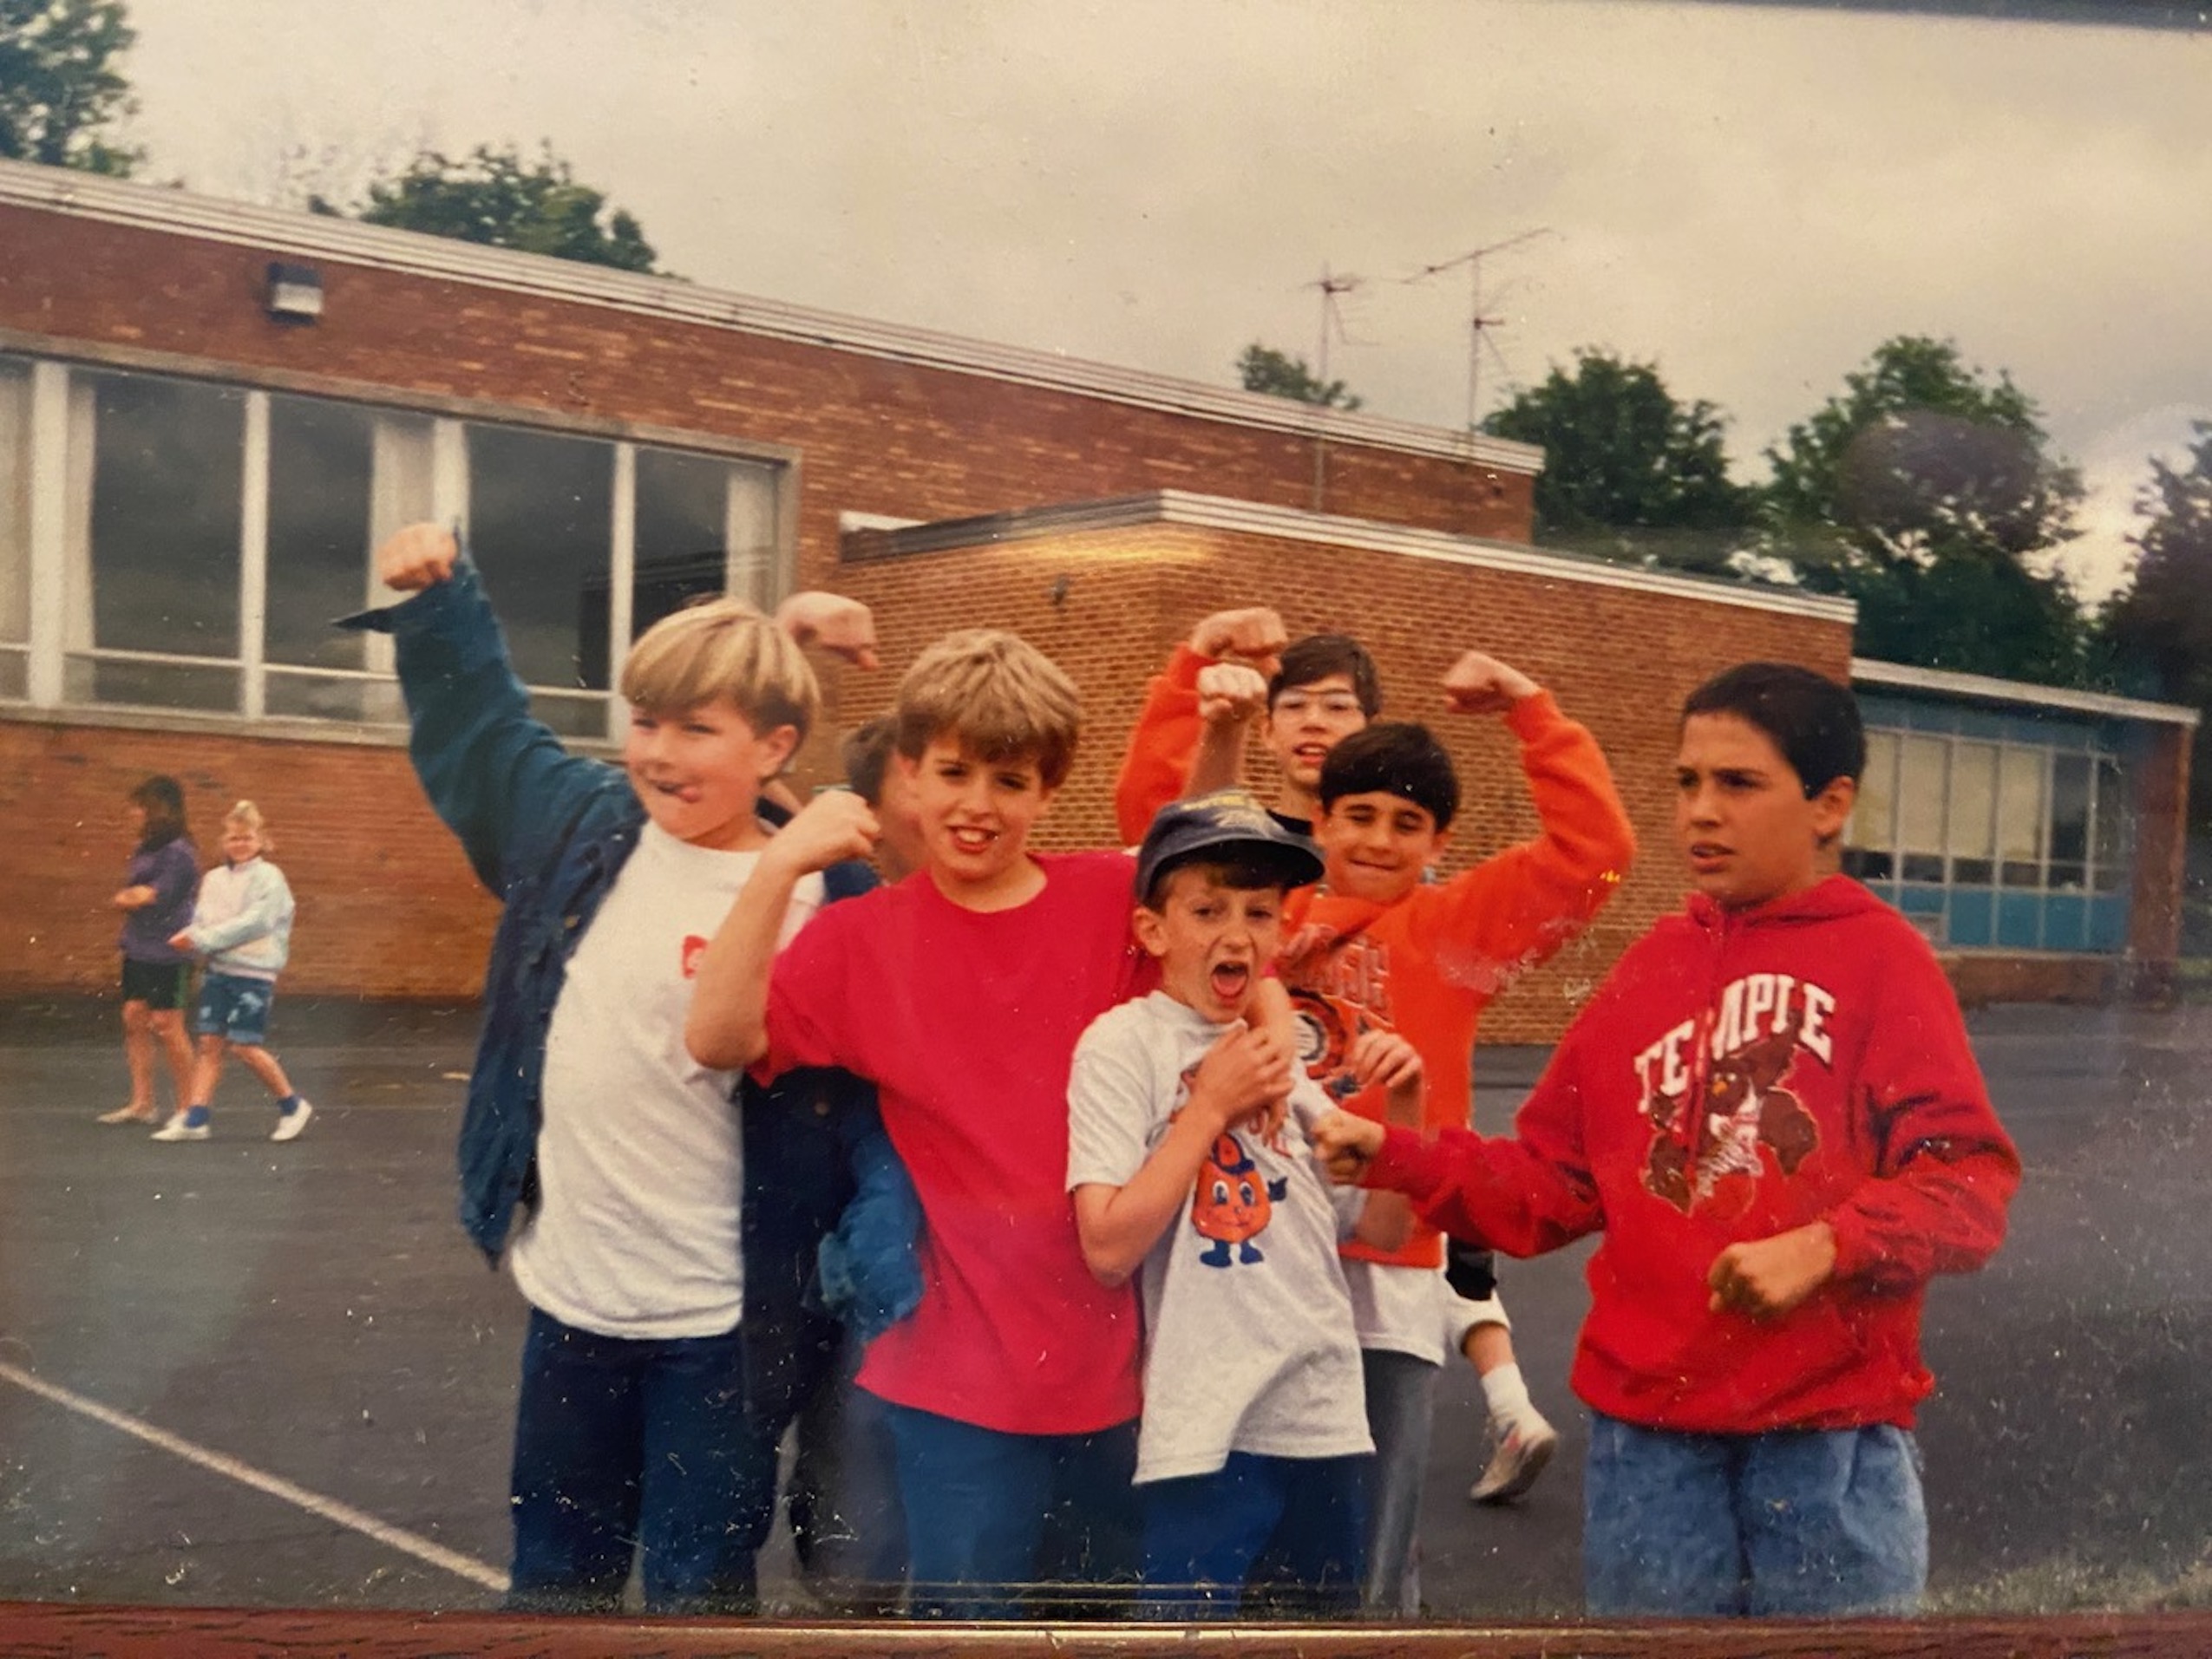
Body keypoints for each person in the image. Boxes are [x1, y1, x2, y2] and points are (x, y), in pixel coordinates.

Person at [1315, 662, 2022, 1617]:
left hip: (1824, 1443)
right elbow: (1552, 1183)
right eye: (1687, 782)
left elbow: (1969, 1182)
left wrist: (1827, 1245)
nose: (1701, 811)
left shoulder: (1883, 959)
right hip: (1648, 1446)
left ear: (1830, 802)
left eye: (1738, 783)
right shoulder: (1651, 969)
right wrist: (1397, 1154)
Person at [344, 521, 897, 1616]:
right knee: (554, 1575)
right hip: (576, 1301)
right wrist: (449, 598)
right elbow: (486, 734)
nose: (658, 751)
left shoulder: (832, 902)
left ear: (776, 747)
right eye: (644, 721)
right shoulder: (583, 827)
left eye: (698, 728)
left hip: (724, 1327)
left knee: (698, 1588)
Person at [689, 628, 1296, 1619]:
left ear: (1047, 791)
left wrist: (1269, 1033)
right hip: (956, 1385)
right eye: (953, 772)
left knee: (1100, 1628)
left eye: (1009, 780)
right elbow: (718, 1034)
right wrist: (778, 867)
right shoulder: (857, 938)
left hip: (1124, 1374)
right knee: (968, 1627)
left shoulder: (1106, 901)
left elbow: (1209, 891)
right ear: (909, 773)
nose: (977, 805)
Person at [1117, 610, 1635, 1612]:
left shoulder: (1451, 929)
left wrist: (1532, 710)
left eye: (1407, 823)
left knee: (1366, 1547)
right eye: (1359, 816)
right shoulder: (1265, 909)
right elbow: (1155, 824)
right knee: (1245, 1520)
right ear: (1322, 817)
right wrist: (1189, 672)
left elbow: (1597, 854)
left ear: (1438, 839)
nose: (1379, 840)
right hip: (1258, 1255)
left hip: (1389, 1269)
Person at [1066, 788, 1417, 1619]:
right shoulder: (1125, 1044)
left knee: (1323, 1634)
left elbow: (1379, 1227)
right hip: (1208, 1425)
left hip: (1325, 1413)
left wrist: (1406, 1111)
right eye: (1207, 908)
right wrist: (1208, 1107)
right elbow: (1107, 1245)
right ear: (1154, 930)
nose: (1237, 931)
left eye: (1259, 912)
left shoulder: (1282, 1054)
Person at [155, 800, 311, 1145]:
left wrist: (202, 939)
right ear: (224, 842)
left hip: (253, 974)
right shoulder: (213, 879)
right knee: (210, 1044)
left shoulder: (270, 878)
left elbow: (256, 923)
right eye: (233, 838)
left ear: (260, 840)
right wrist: (195, 936)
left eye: (246, 837)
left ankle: (292, 1105)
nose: (239, 844)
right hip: (219, 971)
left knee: (243, 1046)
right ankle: (196, 1119)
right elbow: (202, 918)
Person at [100, 774, 200, 1127]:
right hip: (138, 947)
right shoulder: (147, 850)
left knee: (168, 1026)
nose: (134, 813)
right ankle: (143, 1103)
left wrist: (131, 897)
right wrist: (130, 897)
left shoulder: (180, 853)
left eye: (140, 806)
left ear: (160, 809)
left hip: (169, 952)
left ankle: (190, 1109)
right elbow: (132, 894)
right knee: (133, 1019)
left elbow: (150, 895)